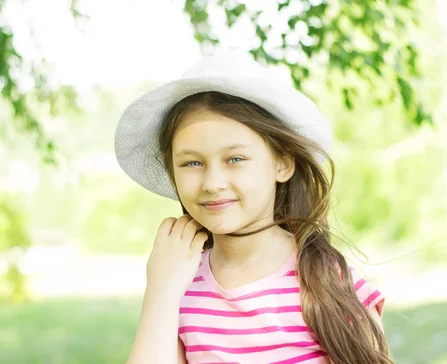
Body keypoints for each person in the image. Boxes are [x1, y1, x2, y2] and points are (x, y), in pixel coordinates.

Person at [115, 51, 393, 364]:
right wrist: (160, 292)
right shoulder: (180, 287)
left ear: (283, 163)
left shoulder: (327, 281)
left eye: (235, 159)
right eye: (192, 163)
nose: (212, 182)